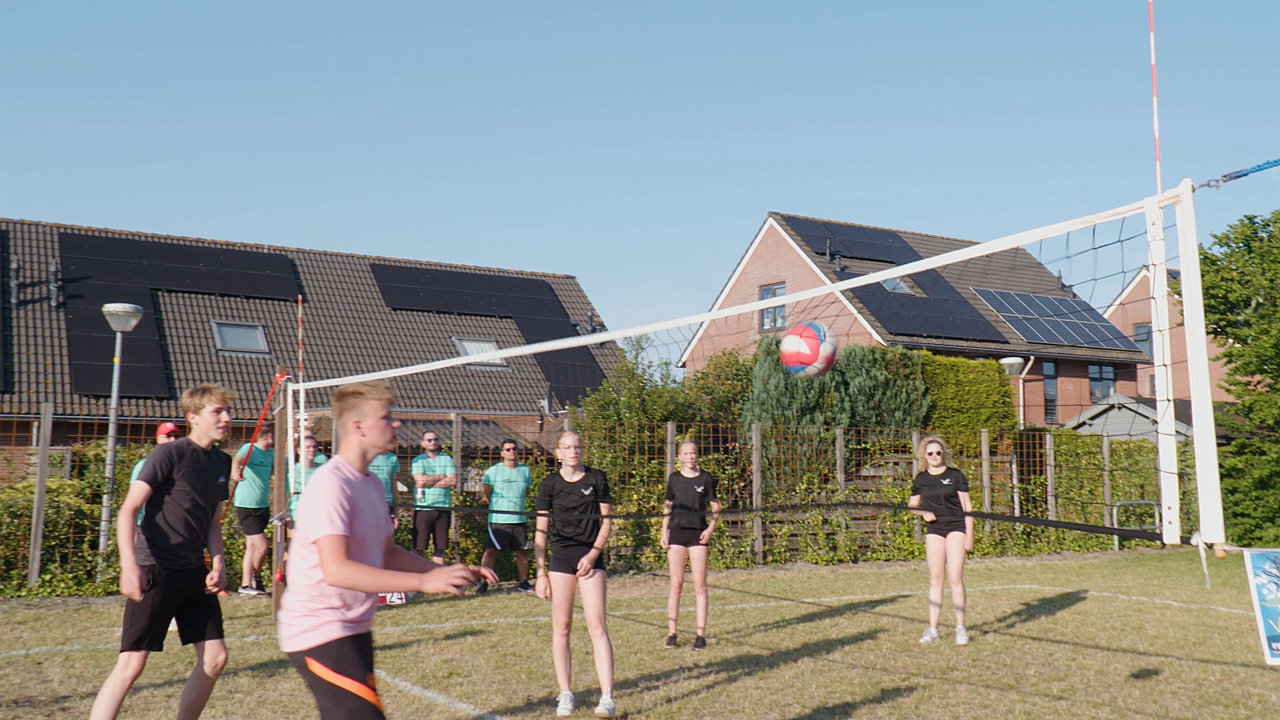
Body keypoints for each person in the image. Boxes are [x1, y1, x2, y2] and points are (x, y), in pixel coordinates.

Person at [277, 381, 495, 720]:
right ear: (358, 426)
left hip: (354, 626)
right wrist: (423, 584)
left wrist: (442, 572)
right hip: (317, 629)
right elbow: (338, 570)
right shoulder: (330, 485)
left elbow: (388, 553)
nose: (396, 424)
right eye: (387, 417)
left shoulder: (373, 484)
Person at [90, 385, 235, 720]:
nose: (226, 418)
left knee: (215, 658)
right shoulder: (167, 455)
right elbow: (128, 510)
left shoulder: (221, 461)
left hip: (194, 572)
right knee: (132, 663)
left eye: (227, 411)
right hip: (156, 567)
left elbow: (213, 520)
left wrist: (218, 562)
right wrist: (129, 566)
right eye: (218, 412)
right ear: (193, 417)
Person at [534, 431, 616, 718]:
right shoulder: (549, 485)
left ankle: (607, 697)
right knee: (562, 626)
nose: (574, 451)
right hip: (561, 557)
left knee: (597, 624)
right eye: (567, 447)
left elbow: (606, 523)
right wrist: (540, 573)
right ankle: (566, 694)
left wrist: (593, 555)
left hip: (590, 556)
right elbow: (541, 532)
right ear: (558, 453)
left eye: (578, 446)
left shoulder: (596, 479)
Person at [907, 435, 975, 646]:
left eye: (938, 452)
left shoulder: (955, 475)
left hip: (956, 527)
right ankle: (933, 629)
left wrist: (970, 535)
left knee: (955, 577)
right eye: (930, 453)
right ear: (924, 456)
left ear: (943, 454)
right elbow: (912, 506)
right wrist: (923, 513)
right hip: (935, 530)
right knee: (936, 578)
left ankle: (960, 628)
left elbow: (968, 507)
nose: (934, 456)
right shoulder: (921, 479)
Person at [659, 439, 720, 650]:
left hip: (697, 535)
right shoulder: (674, 479)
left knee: (699, 585)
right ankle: (672, 633)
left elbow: (715, 507)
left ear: (697, 455)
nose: (690, 457)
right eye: (686, 454)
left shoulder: (705, 478)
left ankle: (700, 635)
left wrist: (710, 529)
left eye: (693, 453)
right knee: (676, 585)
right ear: (679, 457)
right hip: (676, 533)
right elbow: (668, 506)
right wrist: (663, 531)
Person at [478, 438, 534, 594]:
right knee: (491, 551)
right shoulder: (493, 471)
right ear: (502, 453)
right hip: (499, 520)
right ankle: (483, 583)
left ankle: (523, 582)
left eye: (514, 448)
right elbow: (486, 493)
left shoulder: (525, 470)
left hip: (519, 519)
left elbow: (526, 492)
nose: (512, 451)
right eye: (508, 449)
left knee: (522, 551)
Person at [231, 423, 275, 596]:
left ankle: (245, 585)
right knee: (262, 546)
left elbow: (272, 471)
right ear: (271, 436)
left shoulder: (270, 453)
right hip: (246, 505)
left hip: (262, 505)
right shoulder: (249, 448)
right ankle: (257, 579)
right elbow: (237, 460)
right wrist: (235, 473)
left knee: (251, 546)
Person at [410, 431, 456, 563]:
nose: (433, 442)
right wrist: (441, 476)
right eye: (429, 440)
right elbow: (420, 480)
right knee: (419, 547)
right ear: (423, 443)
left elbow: (452, 481)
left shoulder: (447, 459)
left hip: (443, 508)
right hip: (423, 508)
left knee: (440, 549)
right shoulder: (418, 460)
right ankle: (418, 578)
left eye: (435, 439)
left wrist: (429, 482)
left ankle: (438, 579)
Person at [129, 421, 183, 524]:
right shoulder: (144, 465)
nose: (173, 440)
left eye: (176, 436)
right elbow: (133, 503)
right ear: (158, 439)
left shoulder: (182, 466)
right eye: (168, 436)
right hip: (148, 525)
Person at [289, 435, 322, 525]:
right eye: (308, 447)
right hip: (298, 517)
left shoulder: (323, 470)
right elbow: (286, 497)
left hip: (318, 516)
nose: (312, 450)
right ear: (299, 450)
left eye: (314, 447)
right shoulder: (291, 472)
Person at [367, 449, 401, 524]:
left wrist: (395, 514)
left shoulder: (393, 458)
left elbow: (394, 486)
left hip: (387, 503)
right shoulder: (366, 456)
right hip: (368, 504)